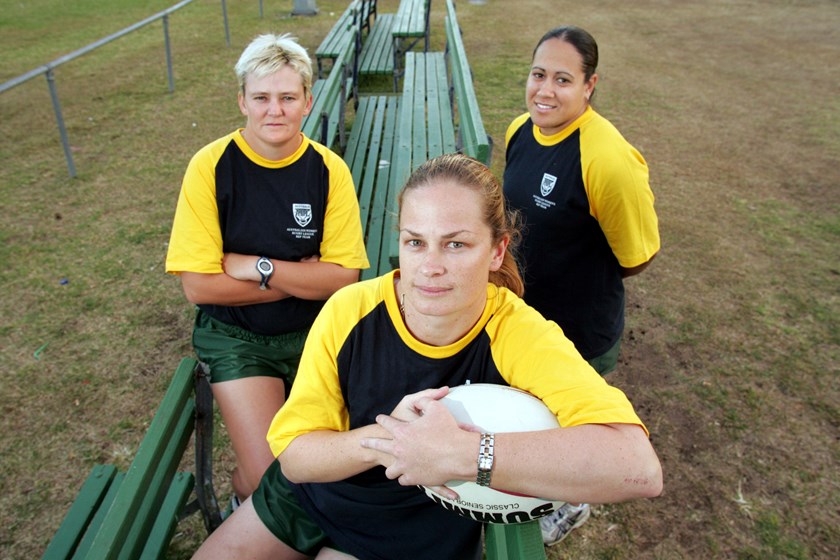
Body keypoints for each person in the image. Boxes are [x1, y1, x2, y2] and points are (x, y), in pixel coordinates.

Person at [192, 154, 662, 560]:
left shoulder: (518, 333)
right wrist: (394, 438)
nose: (430, 266)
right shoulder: (350, 310)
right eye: (415, 242)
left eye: (456, 244)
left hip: (406, 528)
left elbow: (638, 468)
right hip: (310, 493)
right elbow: (295, 459)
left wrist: (467, 454)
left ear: (497, 250)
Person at [165, 33, 369, 508]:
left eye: (286, 97)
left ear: (307, 102)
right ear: (242, 101)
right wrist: (299, 280)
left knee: (329, 468)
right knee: (269, 478)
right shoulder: (210, 166)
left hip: (314, 334)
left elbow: (343, 279)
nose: (274, 110)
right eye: (261, 97)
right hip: (237, 337)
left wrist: (253, 268)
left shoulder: (328, 170)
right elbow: (198, 287)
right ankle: (243, 499)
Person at [502, 26, 661, 545]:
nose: (545, 90)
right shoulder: (519, 132)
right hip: (527, 314)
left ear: (590, 85)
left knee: (574, 420)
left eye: (563, 79)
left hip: (580, 326)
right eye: (538, 74)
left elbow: (637, 257)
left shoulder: (608, 159)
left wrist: (577, 270)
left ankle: (573, 502)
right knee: (531, 409)